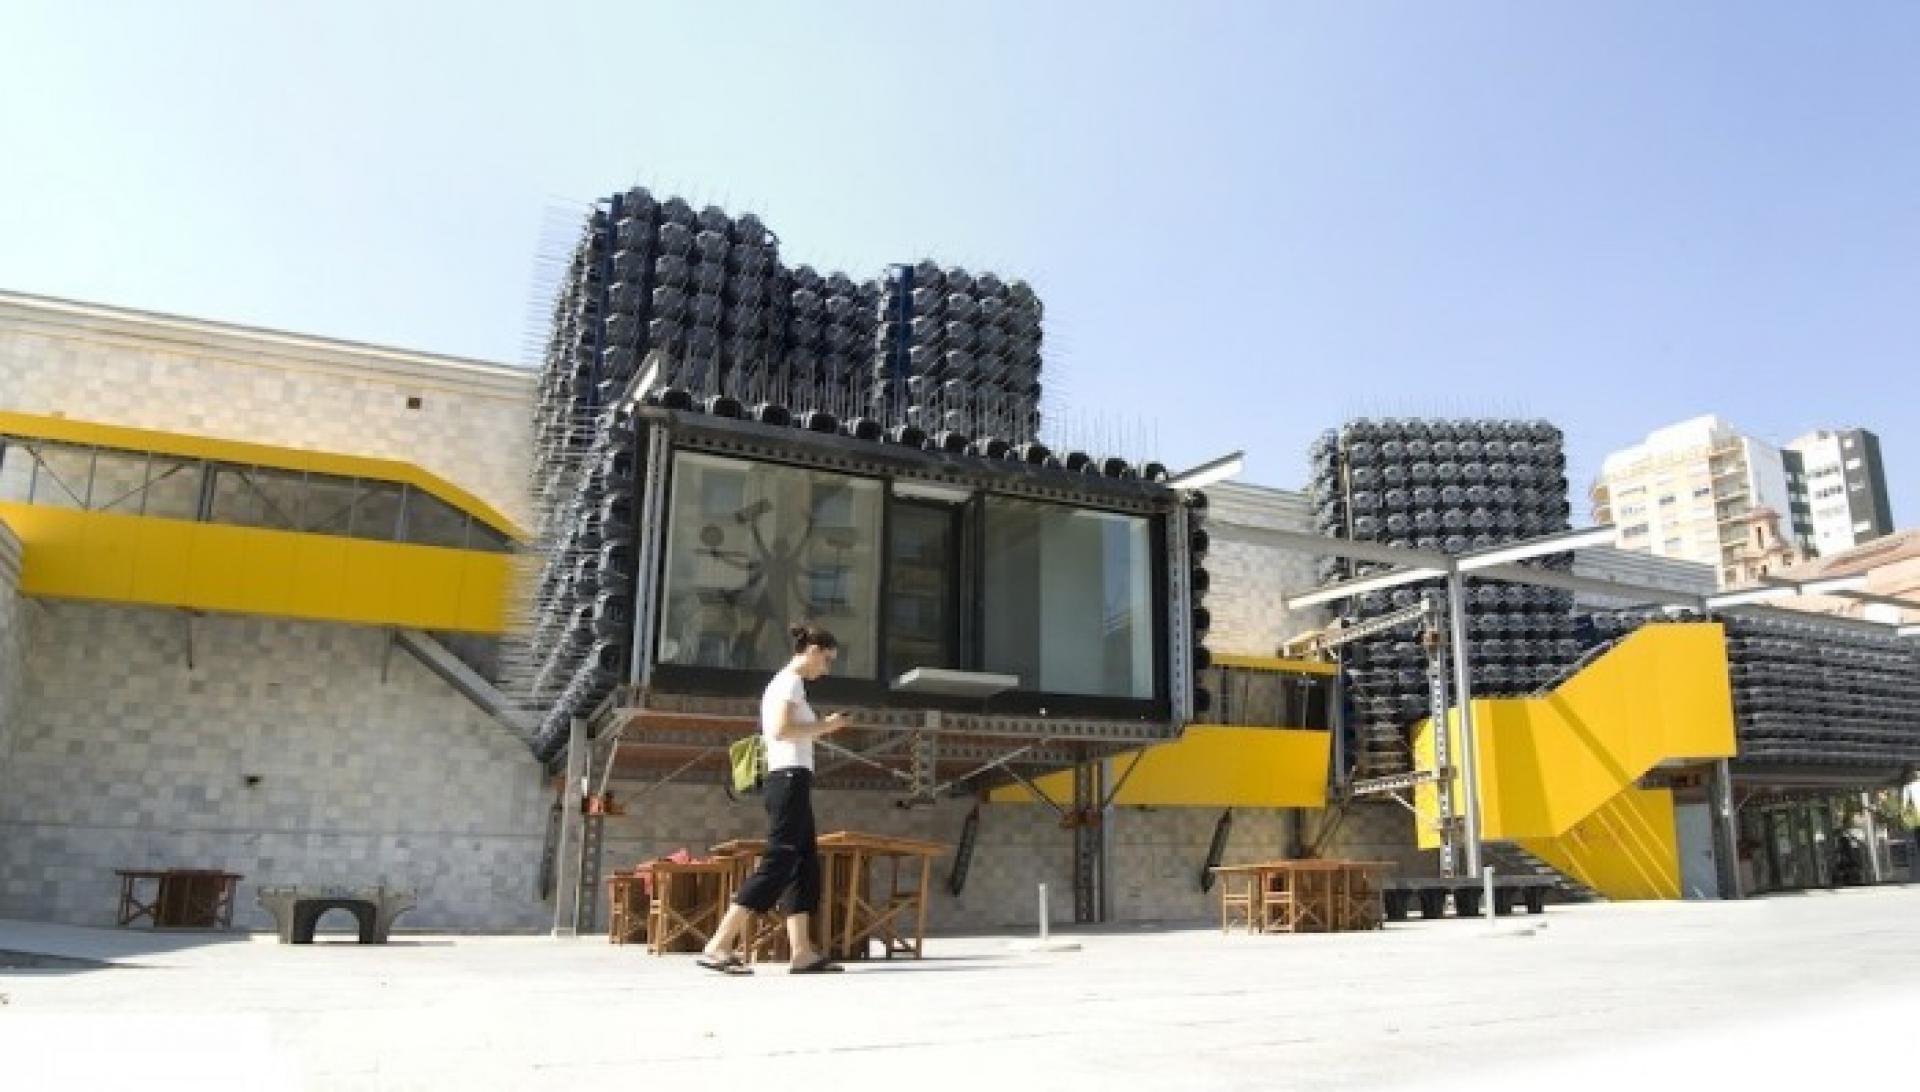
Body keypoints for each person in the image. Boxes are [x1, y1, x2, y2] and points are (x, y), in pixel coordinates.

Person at [699, 623, 850, 975]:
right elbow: (782, 730)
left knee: (802, 861)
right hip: (788, 777)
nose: (826, 669)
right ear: (811, 651)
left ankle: (802, 952)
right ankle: (719, 944)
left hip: (792, 777)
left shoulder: (789, 684)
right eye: (826, 660)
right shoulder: (790, 682)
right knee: (780, 859)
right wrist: (827, 726)